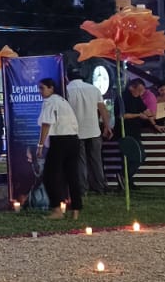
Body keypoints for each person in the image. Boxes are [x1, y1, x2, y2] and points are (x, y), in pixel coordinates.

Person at [36, 76, 82, 219]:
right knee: (72, 175)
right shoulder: (63, 101)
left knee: (50, 176)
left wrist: (40, 145)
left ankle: (57, 209)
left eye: (42, 88)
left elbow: (46, 124)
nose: (40, 92)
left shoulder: (50, 102)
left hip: (60, 141)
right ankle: (76, 209)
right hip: (73, 140)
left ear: (51, 88)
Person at [66, 66, 111, 194]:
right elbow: (103, 109)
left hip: (75, 131)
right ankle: (100, 187)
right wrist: (107, 126)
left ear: (67, 78)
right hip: (94, 130)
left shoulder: (66, 91)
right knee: (96, 160)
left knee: (80, 161)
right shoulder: (94, 89)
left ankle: (82, 188)